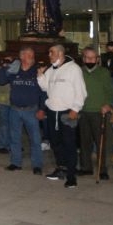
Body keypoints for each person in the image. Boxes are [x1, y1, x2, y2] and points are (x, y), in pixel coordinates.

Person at [38, 44, 86, 188]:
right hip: (53, 111)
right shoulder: (51, 69)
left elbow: (81, 91)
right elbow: (45, 87)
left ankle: (71, 176)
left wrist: (75, 109)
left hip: (67, 112)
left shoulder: (73, 69)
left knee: (69, 144)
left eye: (51, 52)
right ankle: (61, 169)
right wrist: (40, 75)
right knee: (55, 143)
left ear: (60, 53)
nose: (49, 55)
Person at [0, 46, 46, 174]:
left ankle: (37, 165)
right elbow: (2, 81)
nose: (32, 57)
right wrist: (4, 66)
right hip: (15, 110)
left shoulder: (37, 71)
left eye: (32, 55)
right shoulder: (14, 70)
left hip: (31, 110)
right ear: (21, 56)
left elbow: (43, 92)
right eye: (29, 55)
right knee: (14, 138)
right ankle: (16, 162)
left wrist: (42, 109)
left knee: (35, 139)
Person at [77, 45, 113, 180]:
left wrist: (108, 104)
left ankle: (102, 169)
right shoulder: (78, 72)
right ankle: (86, 167)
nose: (90, 60)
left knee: (101, 143)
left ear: (97, 59)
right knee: (84, 142)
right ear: (83, 58)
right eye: (87, 57)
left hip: (99, 112)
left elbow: (110, 92)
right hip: (83, 112)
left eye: (93, 58)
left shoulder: (104, 72)